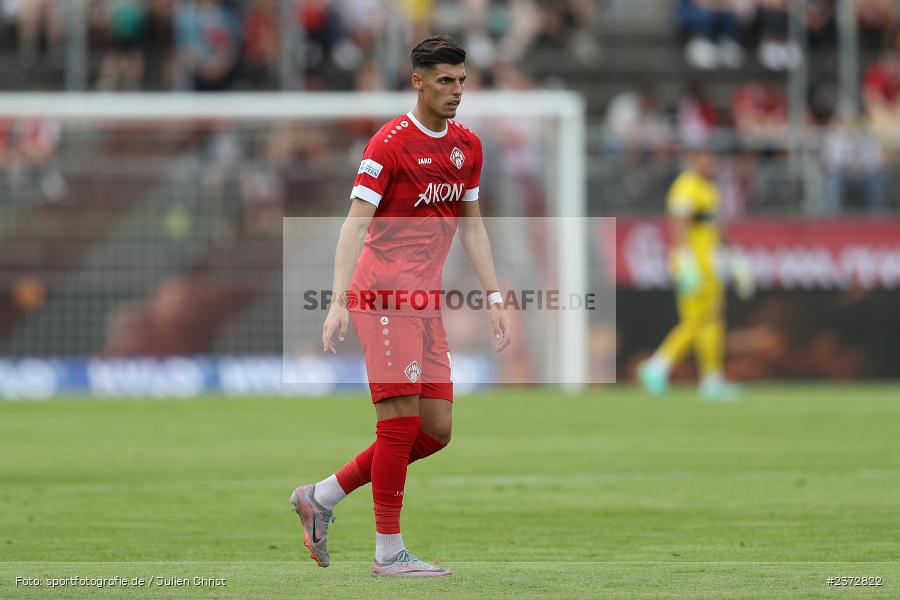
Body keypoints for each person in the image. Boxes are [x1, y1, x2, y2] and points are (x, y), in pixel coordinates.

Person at [291, 35, 511, 577]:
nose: (456, 91)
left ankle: (320, 496)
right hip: (381, 296)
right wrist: (337, 301)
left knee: (435, 429)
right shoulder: (389, 143)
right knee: (397, 424)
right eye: (445, 81)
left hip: (425, 300)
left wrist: (495, 293)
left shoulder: (468, 146)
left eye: (462, 80)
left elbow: (472, 225)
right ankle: (388, 552)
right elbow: (353, 226)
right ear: (418, 81)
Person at [637, 146, 752, 401]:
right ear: (693, 160)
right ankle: (657, 365)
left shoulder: (710, 190)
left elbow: (717, 228)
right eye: (706, 158)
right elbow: (679, 226)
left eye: (713, 158)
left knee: (713, 321)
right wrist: (685, 261)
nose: (710, 163)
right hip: (692, 266)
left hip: (710, 265)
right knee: (695, 320)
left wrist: (736, 259)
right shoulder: (685, 187)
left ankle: (712, 378)